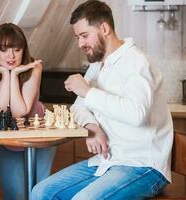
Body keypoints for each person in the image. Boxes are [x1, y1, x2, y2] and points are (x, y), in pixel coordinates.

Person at [31, 1, 173, 199]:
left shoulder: (136, 63)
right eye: (77, 37)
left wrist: (88, 92)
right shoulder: (98, 65)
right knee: (40, 192)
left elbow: (136, 114)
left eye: (84, 36)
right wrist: (92, 127)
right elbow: (78, 107)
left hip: (143, 166)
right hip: (107, 160)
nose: (80, 44)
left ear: (104, 28)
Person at [0, 23, 56, 200]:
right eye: (4, 49)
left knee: (39, 193)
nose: (11, 56)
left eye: (16, 49)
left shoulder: (34, 67)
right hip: (7, 137)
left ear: (24, 50)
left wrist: (13, 75)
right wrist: (6, 75)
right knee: (16, 196)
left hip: (39, 134)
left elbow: (21, 111)